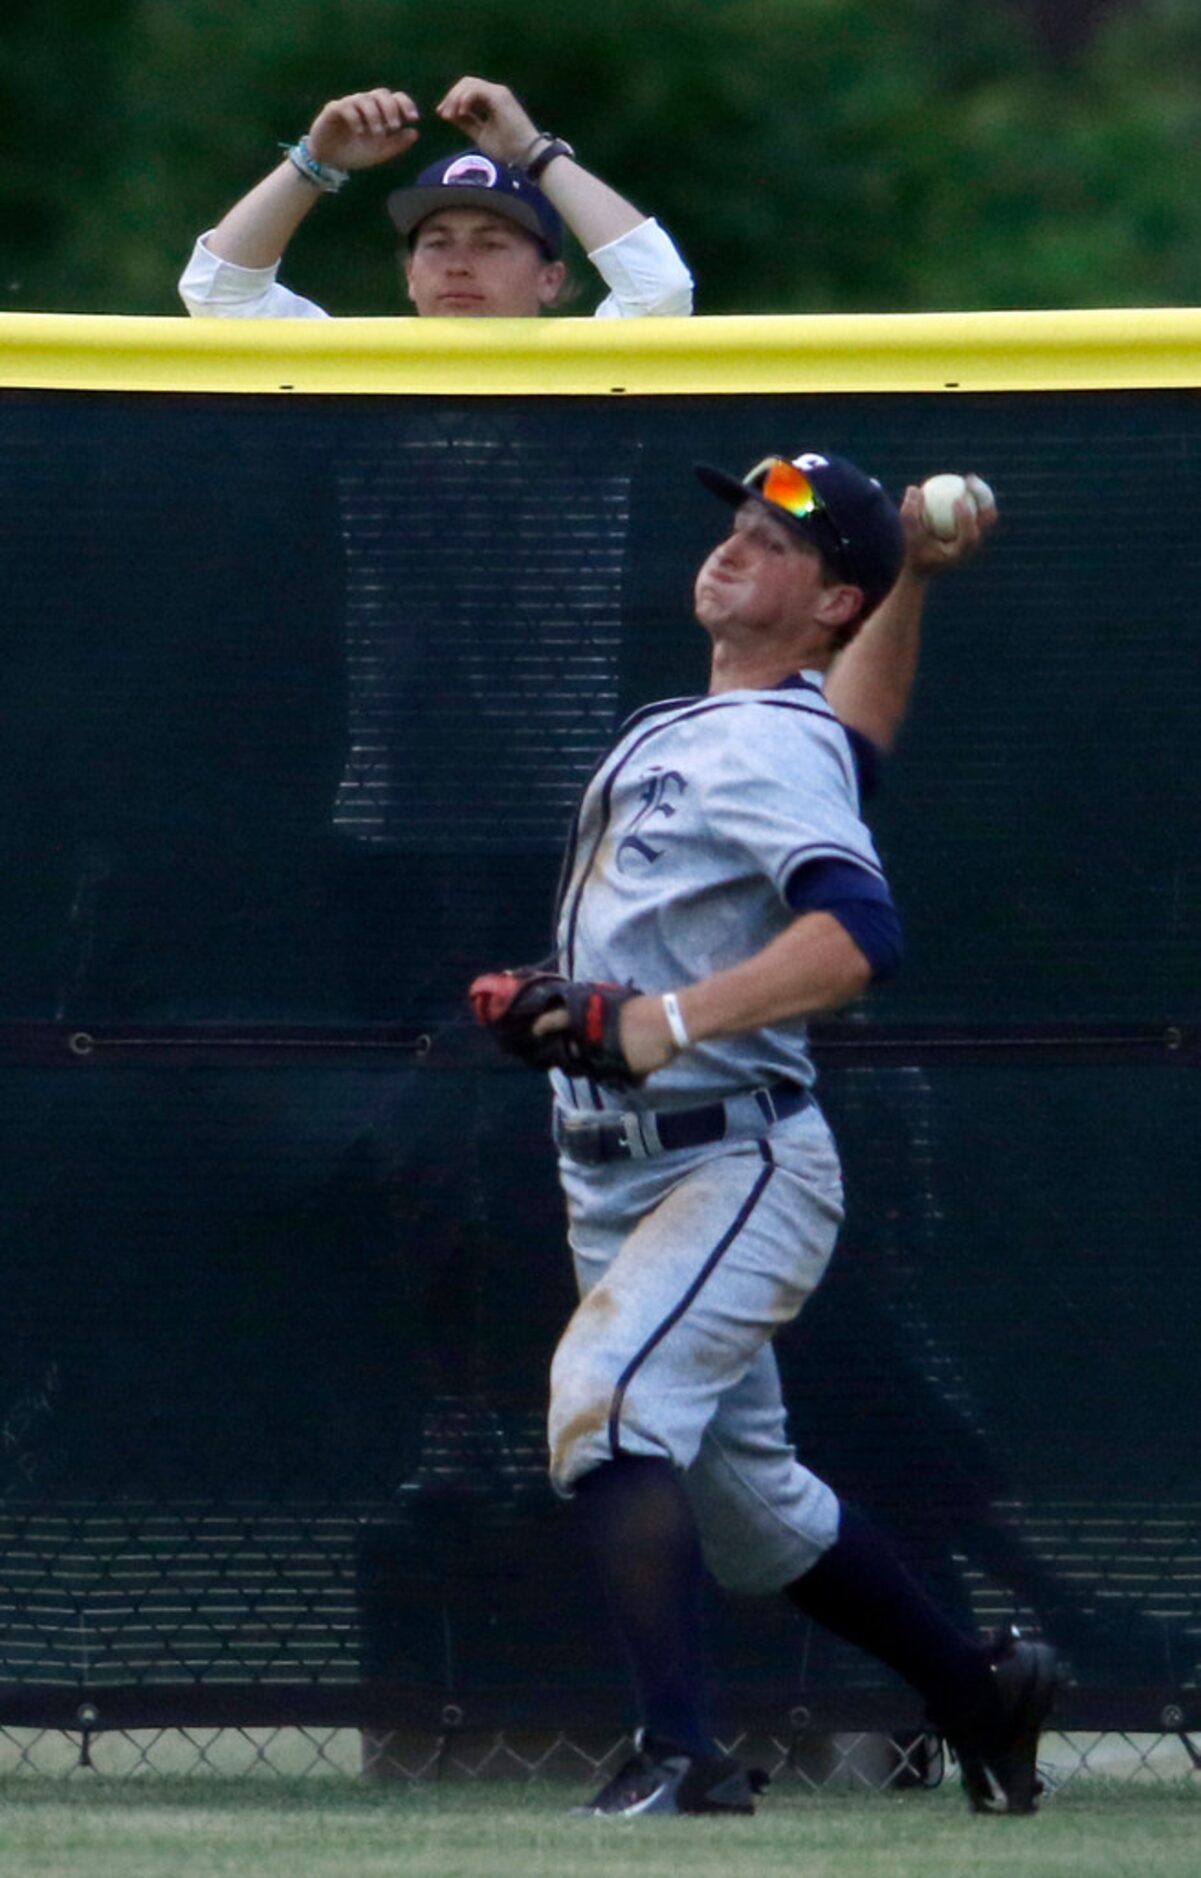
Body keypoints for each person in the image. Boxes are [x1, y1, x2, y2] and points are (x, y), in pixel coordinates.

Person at [469, 449, 1061, 1818]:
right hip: (616, 1168)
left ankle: (681, 1753)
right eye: (735, 521)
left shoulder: (764, 743)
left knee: (605, 1407)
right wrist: (576, 1012)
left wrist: (659, 1019)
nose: (737, 543)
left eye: (778, 539)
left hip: (730, 1157)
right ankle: (980, 1686)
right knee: (753, 1517)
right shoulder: (731, 724)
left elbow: (860, 937)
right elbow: (848, 743)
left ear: (829, 600)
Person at [179, 76, 693, 321]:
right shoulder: (360, 372)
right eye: (438, 244)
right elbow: (219, 296)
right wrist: (312, 162)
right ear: (409, 274)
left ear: (550, 278)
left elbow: (661, 293)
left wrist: (535, 154)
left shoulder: (593, 372)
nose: (458, 266)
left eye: (491, 244)